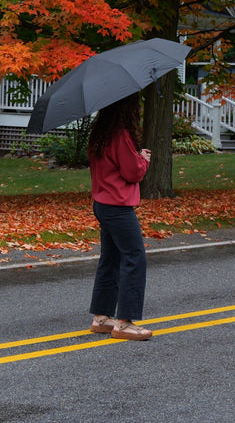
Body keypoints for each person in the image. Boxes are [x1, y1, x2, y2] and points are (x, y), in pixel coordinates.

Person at [87, 95, 153, 341]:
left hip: (103, 202)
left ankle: (102, 317)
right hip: (118, 206)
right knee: (135, 258)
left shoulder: (101, 132)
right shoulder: (120, 133)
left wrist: (135, 156)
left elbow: (115, 164)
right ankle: (124, 323)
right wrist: (142, 160)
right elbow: (132, 172)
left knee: (111, 259)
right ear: (128, 107)